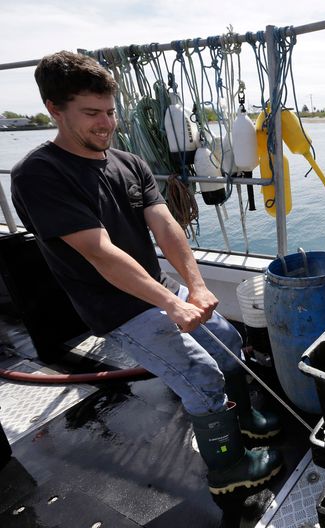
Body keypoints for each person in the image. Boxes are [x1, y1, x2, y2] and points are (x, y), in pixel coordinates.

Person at [10, 50, 282, 496]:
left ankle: (246, 421)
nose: (106, 123)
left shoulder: (128, 161)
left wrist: (194, 286)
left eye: (111, 111)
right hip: (116, 305)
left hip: (160, 288)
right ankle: (229, 471)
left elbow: (166, 225)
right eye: (91, 113)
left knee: (229, 340)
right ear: (54, 110)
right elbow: (100, 253)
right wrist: (172, 304)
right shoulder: (38, 175)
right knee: (201, 375)